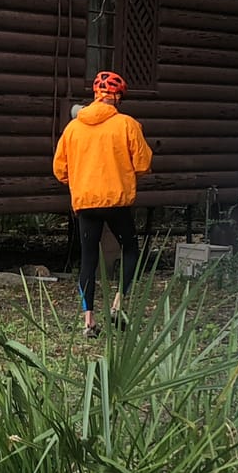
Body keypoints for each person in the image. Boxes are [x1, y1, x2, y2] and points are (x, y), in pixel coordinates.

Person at [53, 70, 153, 337]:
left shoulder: (73, 128)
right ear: (117, 97)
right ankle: (118, 304)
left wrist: (82, 180)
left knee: (88, 258)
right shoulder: (127, 125)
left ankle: (89, 321)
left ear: (96, 96)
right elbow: (143, 164)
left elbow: (60, 170)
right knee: (130, 249)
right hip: (116, 201)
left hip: (86, 203)